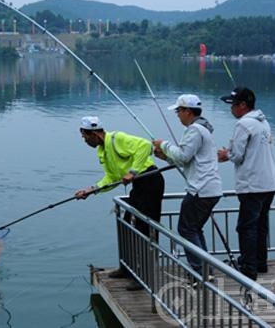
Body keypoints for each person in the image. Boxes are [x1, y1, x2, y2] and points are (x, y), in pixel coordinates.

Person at [74, 116, 164, 290]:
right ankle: (127, 268)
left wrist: (133, 171)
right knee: (127, 226)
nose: (85, 141)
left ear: (93, 134)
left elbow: (145, 145)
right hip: (138, 186)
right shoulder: (102, 151)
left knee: (144, 229)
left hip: (150, 180)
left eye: (85, 137)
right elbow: (112, 178)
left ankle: (145, 275)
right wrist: (92, 190)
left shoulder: (117, 139)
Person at [152, 94, 222, 279]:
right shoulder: (202, 130)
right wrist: (166, 157)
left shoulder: (195, 130)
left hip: (200, 190)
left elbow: (183, 155)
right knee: (194, 229)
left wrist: (163, 144)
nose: (177, 115)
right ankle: (206, 270)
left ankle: (199, 272)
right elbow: (188, 160)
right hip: (210, 189)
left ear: (187, 111)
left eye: (178, 111)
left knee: (186, 230)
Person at [218, 87, 275, 281]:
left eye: (233, 105)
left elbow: (237, 155)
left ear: (243, 105)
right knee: (261, 225)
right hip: (269, 182)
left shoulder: (244, 125)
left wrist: (224, 155)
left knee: (246, 227)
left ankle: (248, 268)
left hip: (252, 184)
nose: (231, 109)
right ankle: (260, 263)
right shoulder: (263, 122)